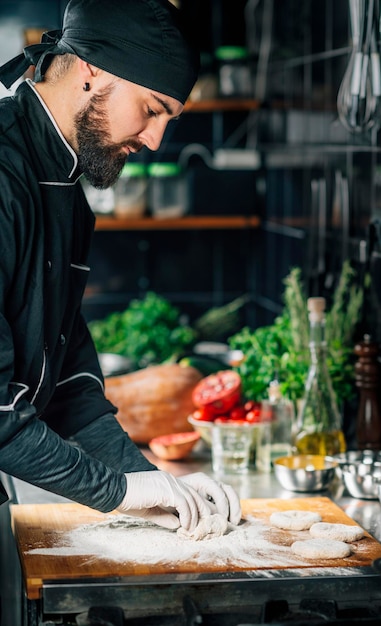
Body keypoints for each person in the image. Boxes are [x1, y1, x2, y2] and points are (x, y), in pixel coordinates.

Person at [0, 0, 241, 533]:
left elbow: (66, 383)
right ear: (91, 68)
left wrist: (151, 481)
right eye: (153, 109)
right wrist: (118, 491)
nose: (156, 139)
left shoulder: (65, 192)